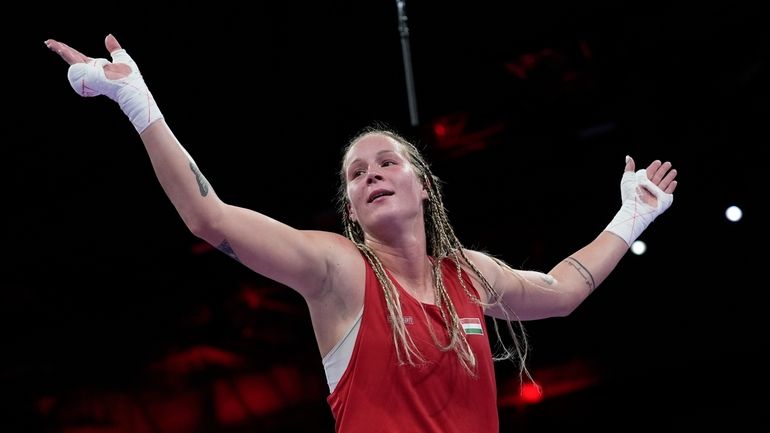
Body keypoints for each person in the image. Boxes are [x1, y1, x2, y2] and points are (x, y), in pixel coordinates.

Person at [45, 34, 678, 433]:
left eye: (386, 163)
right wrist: (139, 103)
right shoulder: (338, 270)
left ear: (421, 184)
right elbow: (210, 218)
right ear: (350, 207)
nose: (370, 174)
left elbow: (563, 290)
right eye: (356, 173)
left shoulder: (471, 274)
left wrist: (631, 216)